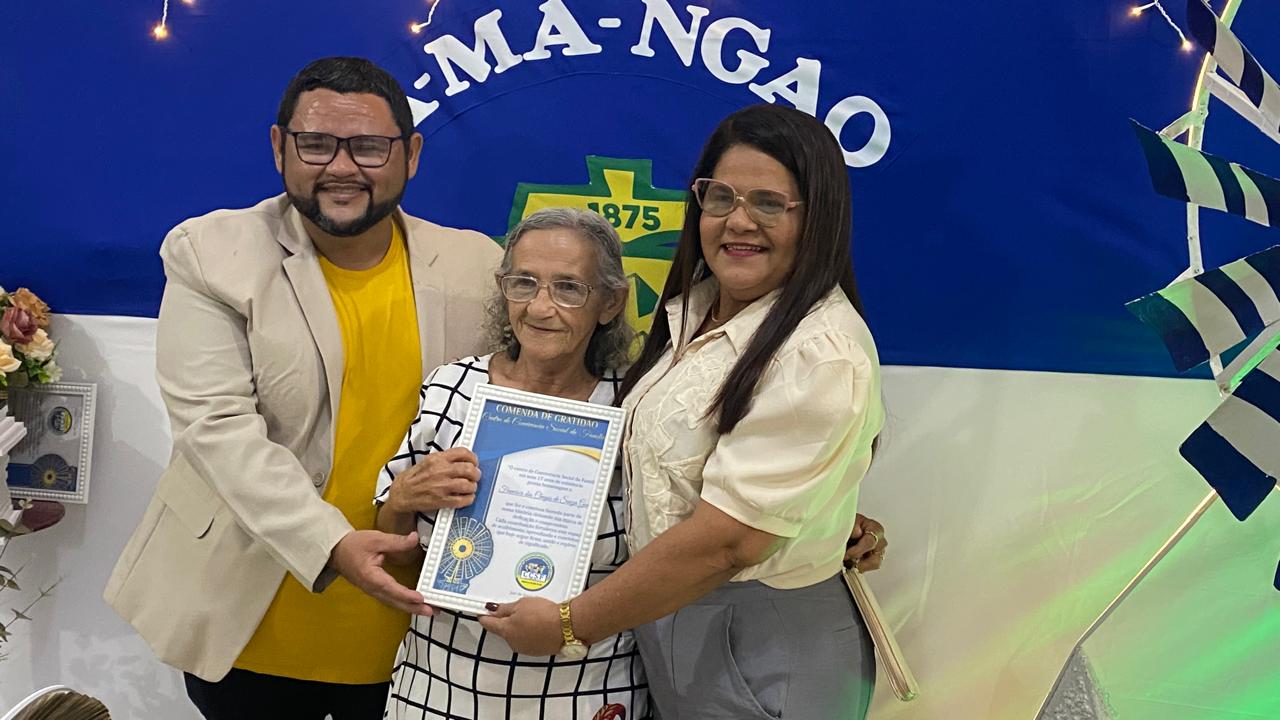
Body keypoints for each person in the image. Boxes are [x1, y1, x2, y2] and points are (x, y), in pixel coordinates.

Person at [103, 57, 503, 719]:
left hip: (419, 641)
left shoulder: (478, 264)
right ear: (279, 147)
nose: (341, 167)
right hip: (253, 628)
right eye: (316, 144)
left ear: (411, 154)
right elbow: (216, 429)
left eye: (369, 147)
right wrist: (335, 545)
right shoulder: (213, 252)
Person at [481, 103, 885, 720]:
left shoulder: (820, 352)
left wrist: (568, 625)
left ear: (817, 217)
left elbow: (729, 543)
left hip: (760, 641)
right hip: (673, 620)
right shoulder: (695, 310)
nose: (738, 221)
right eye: (720, 197)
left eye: (769, 203)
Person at [374, 208, 650, 720]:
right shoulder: (453, 388)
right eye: (523, 283)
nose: (541, 307)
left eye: (569, 288)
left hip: (584, 687)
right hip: (440, 683)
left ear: (610, 302)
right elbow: (393, 550)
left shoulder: (638, 404)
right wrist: (402, 500)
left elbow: (675, 550)